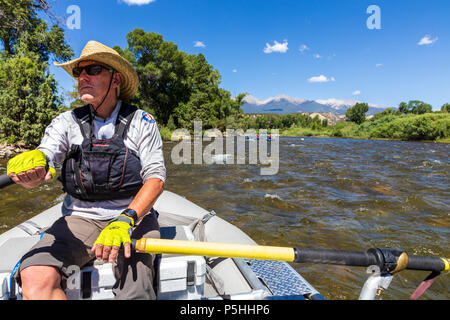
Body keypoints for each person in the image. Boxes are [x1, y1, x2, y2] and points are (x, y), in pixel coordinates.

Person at [6, 41, 166, 300]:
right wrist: (34, 167)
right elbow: (45, 159)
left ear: (116, 79)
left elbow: (156, 179)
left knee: (135, 290)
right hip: (79, 219)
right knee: (35, 275)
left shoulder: (142, 122)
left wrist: (126, 219)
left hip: (133, 218)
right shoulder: (66, 122)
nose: (83, 78)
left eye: (92, 69)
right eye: (79, 72)